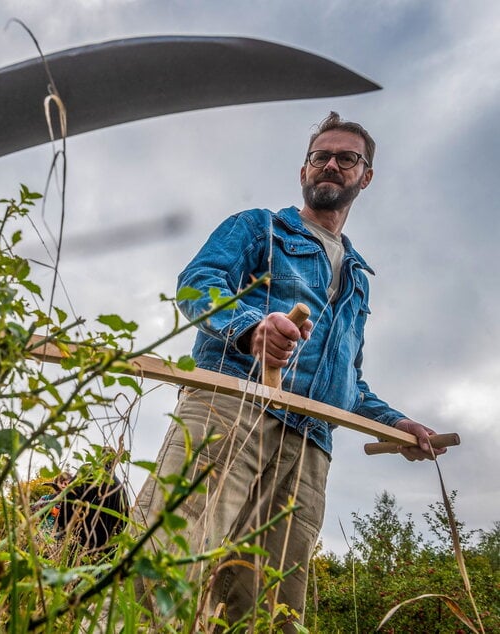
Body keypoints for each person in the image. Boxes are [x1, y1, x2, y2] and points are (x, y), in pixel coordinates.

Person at [133, 112, 446, 629]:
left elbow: (347, 382)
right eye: (320, 156)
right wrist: (253, 327)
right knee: (169, 558)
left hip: (309, 447)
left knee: (270, 603)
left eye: (347, 158)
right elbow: (195, 284)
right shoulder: (261, 228)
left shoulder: (358, 280)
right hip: (232, 406)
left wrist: (396, 424)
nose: (330, 164)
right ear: (303, 170)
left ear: (365, 176)